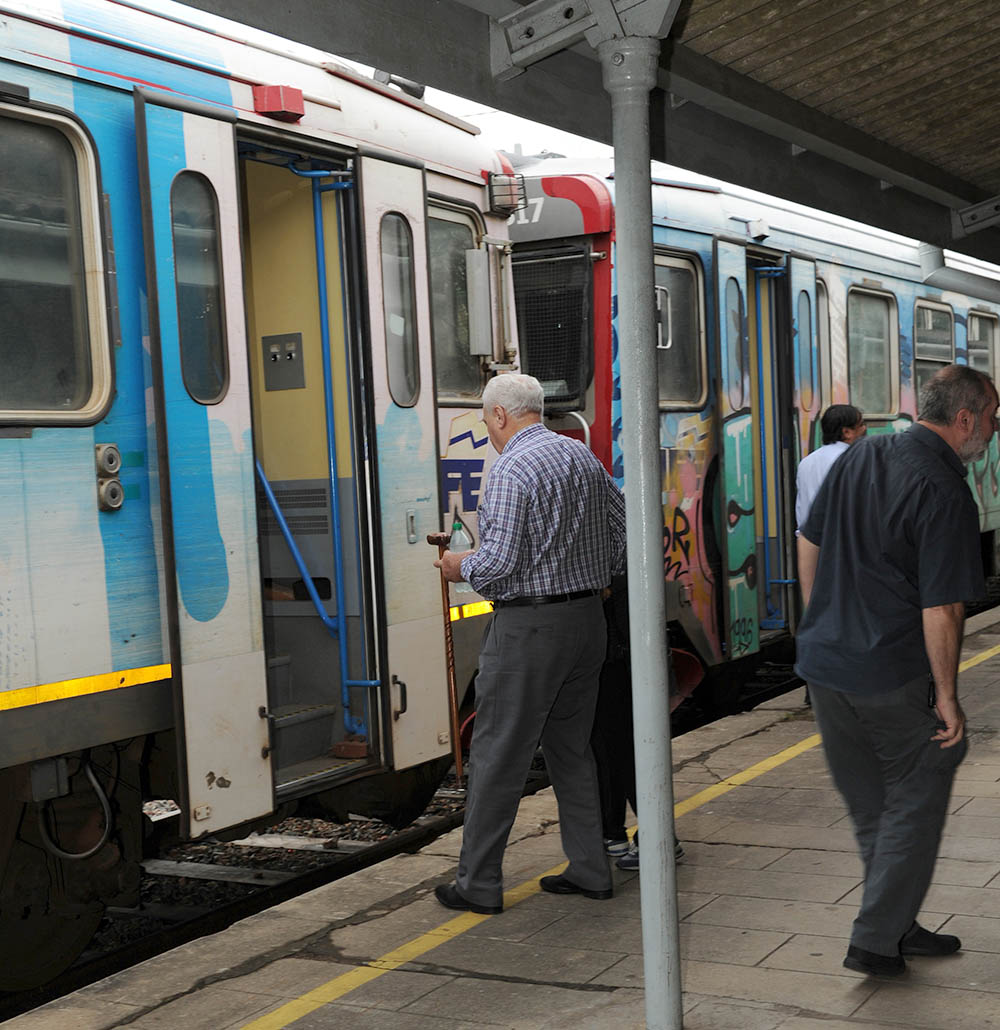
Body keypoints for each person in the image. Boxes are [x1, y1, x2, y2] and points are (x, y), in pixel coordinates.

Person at [795, 364, 998, 978]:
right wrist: (948, 697)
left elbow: (809, 540)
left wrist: (819, 621)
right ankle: (876, 941)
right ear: (964, 418)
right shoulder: (945, 490)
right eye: (992, 418)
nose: (993, 430)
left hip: (826, 665)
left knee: (873, 806)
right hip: (890, 671)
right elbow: (943, 608)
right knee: (924, 780)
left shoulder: (860, 454)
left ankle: (897, 920)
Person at [432, 373, 626, 914]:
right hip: (587, 622)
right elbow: (623, 532)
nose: (489, 432)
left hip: (529, 630)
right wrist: (593, 577)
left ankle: (478, 884)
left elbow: (498, 564)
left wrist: (459, 566)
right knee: (572, 749)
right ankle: (591, 868)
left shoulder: (511, 468)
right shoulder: (581, 456)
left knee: (497, 755)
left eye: (486, 421)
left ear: (499, 415)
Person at [795, 404, 866, 533]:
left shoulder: (806, 462)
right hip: (841, 539)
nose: (864, 429)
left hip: (809, 539)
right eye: (861, 425)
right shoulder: (852, 460)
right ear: (847, 432)